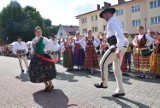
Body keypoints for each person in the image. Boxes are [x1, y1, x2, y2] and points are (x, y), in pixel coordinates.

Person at [94, 8, 129, 97]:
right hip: (121, 45)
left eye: (104, 15)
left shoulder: (112, 21)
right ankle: (120, 90)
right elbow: (115, 37)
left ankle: (104, 83)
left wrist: (118, 49)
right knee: (116, 69)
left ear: (108, 13)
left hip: (118, 46)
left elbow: (119, 35)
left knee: (102, 63)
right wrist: (106, 44)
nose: (103, 17)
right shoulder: (115, 21)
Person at [28, 26, 56, 91]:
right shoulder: (33, 40)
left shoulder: (44, 39)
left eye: (40, 31)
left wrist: (44, 50)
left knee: (45, 71)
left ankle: (51, 84)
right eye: (37, 32)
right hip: (36, 58)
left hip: (43, 57)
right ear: (35, 33)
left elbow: (49, 45)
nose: (39, 33)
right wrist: (33, 51)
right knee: (39, 72)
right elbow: (32, 47)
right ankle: (46, 85)